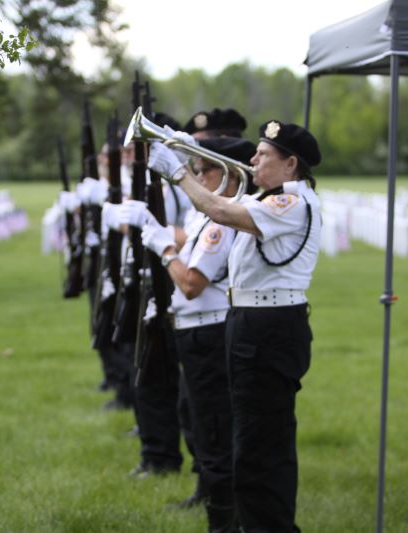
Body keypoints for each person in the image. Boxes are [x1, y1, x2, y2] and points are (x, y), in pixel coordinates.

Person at [148, 120, 322, 533]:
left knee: (261, 443)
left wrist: (178, 172)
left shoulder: (291, 203)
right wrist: (193, 153)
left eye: (263, 154)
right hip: (252, 321)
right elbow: (216, 204)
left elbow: (219, 209)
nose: (253, 159)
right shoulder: (267, 199)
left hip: (269, 326)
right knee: (249, 439)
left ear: (291, 164)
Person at [142, 137, 256, 532]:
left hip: (209, 331)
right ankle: (213, 499)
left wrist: (165, 252)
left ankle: (224, 519)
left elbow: (192, 283)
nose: (198, 175)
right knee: (197, 420)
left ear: (228, 175)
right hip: (198, 329)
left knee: (214, 429)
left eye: (205, 168)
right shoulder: (209, 217)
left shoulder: (221, 221)